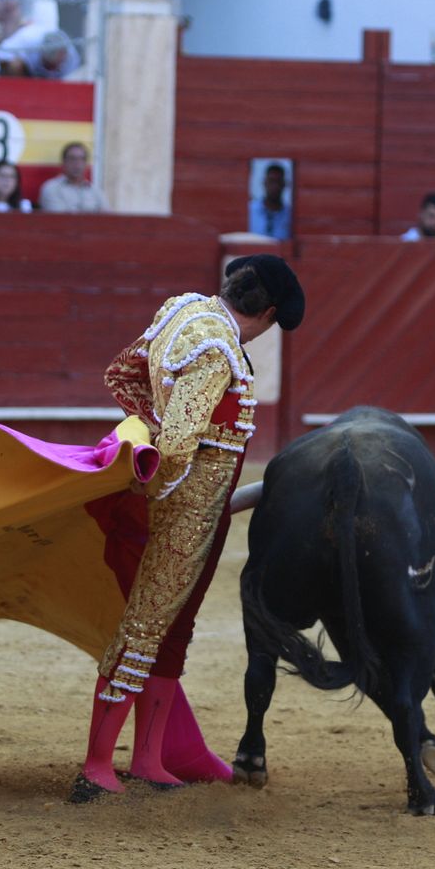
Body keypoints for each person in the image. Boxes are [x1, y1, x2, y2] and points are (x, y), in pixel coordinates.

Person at [74, 253, 305, 801]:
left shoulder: (182, 311)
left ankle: (149, 760)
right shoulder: (218, 350)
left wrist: (147, 431)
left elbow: (122, 373)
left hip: (189, 512)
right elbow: (178, 446)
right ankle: (97, 766)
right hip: (180, 519)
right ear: (268, 312)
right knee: (145, 631)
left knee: (169, 633)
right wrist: (158, 496)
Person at [39, 141, 105, 212]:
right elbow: (59, 219)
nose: (77, 164)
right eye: (72, 159)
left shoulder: (95, 191)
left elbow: (108, 217)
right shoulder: (51, 188)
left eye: (81, 159)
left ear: (86, 164)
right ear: (64, 162)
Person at [0, 24, 77, 79]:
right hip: (27, 76)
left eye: (56, 67)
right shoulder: (28, 38)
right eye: (50, 66)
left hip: (56, 85)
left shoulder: (71, 57)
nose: (52, 70)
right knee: (15, 65)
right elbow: (0, 53)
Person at [247, 162, 290, 238]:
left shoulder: (290, 215)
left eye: (278, 182)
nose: (275, 186)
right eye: (271, 181)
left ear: (284, 184)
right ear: (264, 183)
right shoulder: (250, 211)